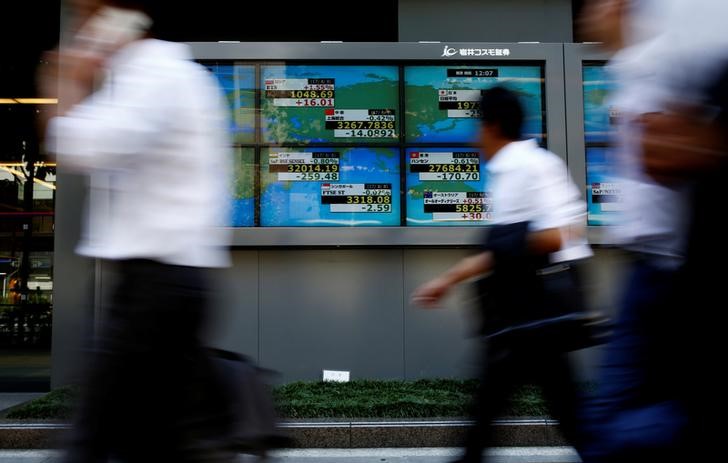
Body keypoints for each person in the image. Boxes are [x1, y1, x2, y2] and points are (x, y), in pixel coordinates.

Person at [39, 0, 234, 461]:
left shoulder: (154, 75)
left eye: (86, 19)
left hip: (156, 286)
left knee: (94, 433)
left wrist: (62, 79)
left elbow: (82, 145)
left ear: (116, 20)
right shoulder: (166, 75)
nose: (81, 32)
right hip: (167, 283)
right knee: (156, 441)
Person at [411, 86, 593, 463]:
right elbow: (498, 250)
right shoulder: (510, 170)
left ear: (492, 125)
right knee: (559, 409)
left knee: (495, 411)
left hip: (532, 309)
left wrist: (507, 248)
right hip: (522, 314)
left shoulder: (530, 165)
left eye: (478, 126)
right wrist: (447, 281)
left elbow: (564, 231)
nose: (475, 137)